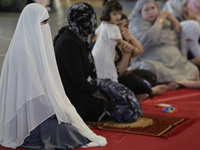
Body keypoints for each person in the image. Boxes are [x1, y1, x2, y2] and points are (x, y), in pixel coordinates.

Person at [0, 3, 107, 150]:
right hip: (27, 118)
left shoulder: (32, 47)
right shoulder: (23, 53)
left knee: (68, 121)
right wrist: (53, 107)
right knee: (66, 130)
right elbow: (29, 97)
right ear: (32, 23)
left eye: (47, 22)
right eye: (43, 22)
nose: (46, 26)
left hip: (37, 108)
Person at [54, 2, 110, 122]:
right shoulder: (69, 43)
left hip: (79, 91)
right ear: (81, 21)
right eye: (89, 19)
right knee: (109, 106)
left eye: (93, 17)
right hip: (71, 99)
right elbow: (78, 79)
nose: (94, 22)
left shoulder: (77, 36)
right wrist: (95, 92)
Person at [128, 0, 200, 89]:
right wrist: (159, 21)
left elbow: (177, 37)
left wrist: (174, 21)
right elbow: (149, 38)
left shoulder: (165, 21)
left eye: (153, 8)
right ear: (140, 12)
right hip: (152, 60)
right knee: (147, 69)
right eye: (146, 10)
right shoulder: (136, 24)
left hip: (174, 61)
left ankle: (176, 82)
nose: (151, 12)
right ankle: (177, 82)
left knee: (193, 69)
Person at [115, 14, 168, 99]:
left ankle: (144, 90)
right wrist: (127, 54)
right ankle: (151, 91)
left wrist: (131, 38)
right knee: (132, 80)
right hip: (113, 79)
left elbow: (139, 51)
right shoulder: (110, 43)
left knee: (147, 74)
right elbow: (119, 73)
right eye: (118, 25)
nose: (122, 29)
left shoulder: (123, 41)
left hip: (123, 74)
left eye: (125, 26)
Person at [92, 0, 139, 83]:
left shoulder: (103, 24)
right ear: (107, 14)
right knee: (111, 75)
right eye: (114, 14)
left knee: (98, 72)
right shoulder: (113, 28)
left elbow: (97, 32)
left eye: (119, 14)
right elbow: (121, 41)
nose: (118, 17)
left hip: (96, 53)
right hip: (106, 55)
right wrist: (133, 48)